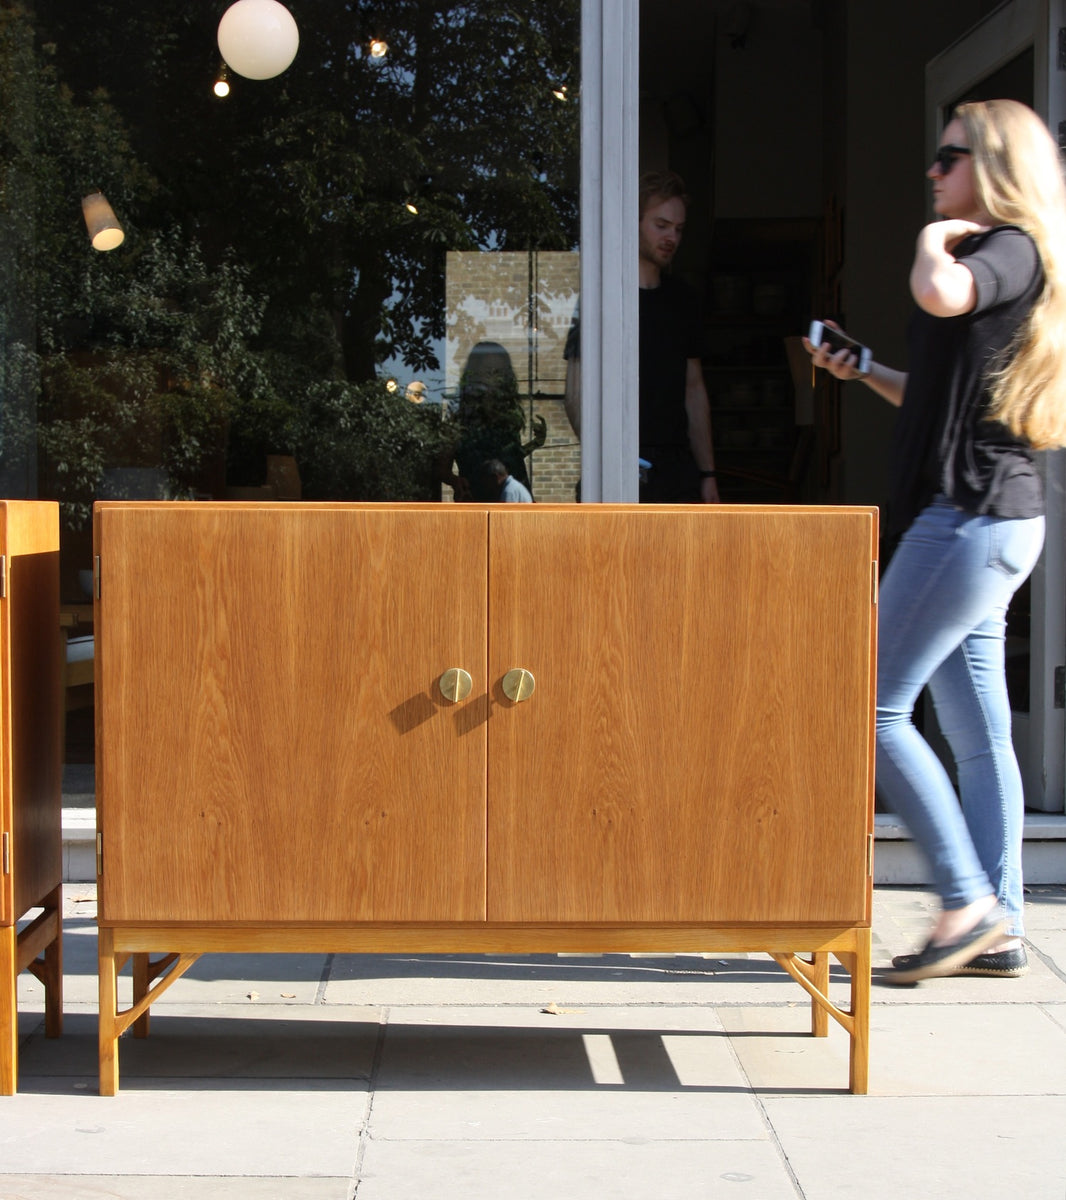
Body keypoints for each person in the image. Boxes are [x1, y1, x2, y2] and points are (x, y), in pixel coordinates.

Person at [805, 100, 1066, 984]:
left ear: (988, 167)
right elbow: (937, 394)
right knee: (976, 726)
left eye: (947, 158)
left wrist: (933, 237)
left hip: (968, 519)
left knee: (870, 707)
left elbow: (938, 290)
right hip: (994, 520)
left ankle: (965, 901)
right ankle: (999, 925)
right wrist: (864, 366)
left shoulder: (1003, 249)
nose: (933, 172)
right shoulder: (1015, 258)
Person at [564, 170, 719, 502]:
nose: (671, 238)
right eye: (661, 226)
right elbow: (576, 393)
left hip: (677, 471)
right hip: (614, 472)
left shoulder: (684, 299)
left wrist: (708, 474)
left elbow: (694, 390)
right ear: (632, 224)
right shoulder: (601, 298)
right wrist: (606, 463)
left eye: (678, 230)